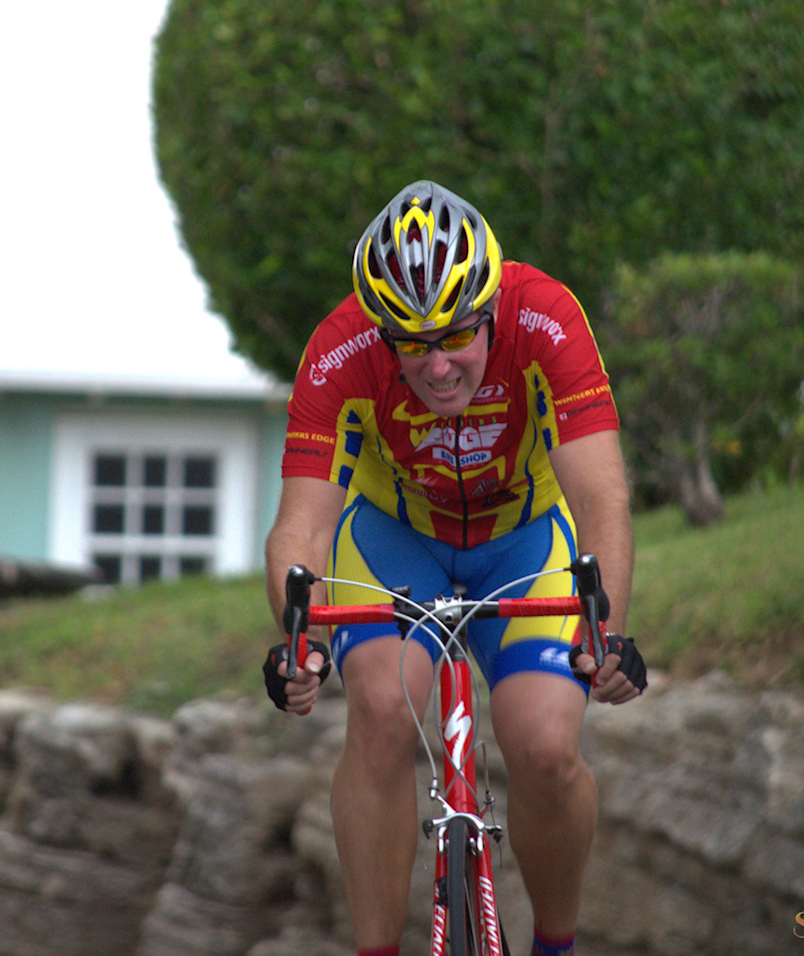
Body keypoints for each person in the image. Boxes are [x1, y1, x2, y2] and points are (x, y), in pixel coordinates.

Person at [262, 180, 645, 956]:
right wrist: (297, 643)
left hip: (524, 537)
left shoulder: (547, 317)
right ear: (381, 332)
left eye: (456, 336)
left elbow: (601, 495)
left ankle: (555, 944)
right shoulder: (340, 349)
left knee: (543, 746)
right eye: (410, 343)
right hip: (397, 539)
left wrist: (605, 635)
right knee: (378, 709)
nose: (436, 366)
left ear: (493, 311)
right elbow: (300, 526)